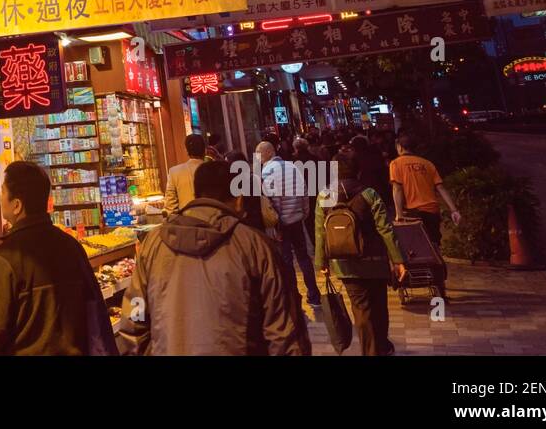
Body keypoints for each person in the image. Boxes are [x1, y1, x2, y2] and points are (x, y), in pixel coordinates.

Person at [118, 161, 311, 356]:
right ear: (238, 199)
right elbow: (283, 331)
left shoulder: (153, 245)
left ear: (195, 194)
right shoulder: (255, 246)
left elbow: (135, 314)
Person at [0, 161, 116, 355]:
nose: (0, 198)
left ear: (17, 205)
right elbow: (95, 312)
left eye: (2, 191)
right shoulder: (72, 247)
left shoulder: (4, 260)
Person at [315, 151, 407, 356]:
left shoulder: (324, 195)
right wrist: (398, 259)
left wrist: (321, 262)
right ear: (358, 170)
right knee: (379, 306)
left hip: (345, 264)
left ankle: (371, 350)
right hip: (375, 262)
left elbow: (320, 232)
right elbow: (385, 229)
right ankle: (380, 346)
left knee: (361, 310)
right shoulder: (369, 194)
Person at [256, 141, 321, 309]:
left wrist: (276, 225)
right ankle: (314, 295)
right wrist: (304, 213)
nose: (257, 157)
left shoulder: (266, 171)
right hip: (296, 220)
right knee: (304, 258)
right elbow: (304, 191)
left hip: (282, 224)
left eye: (259, 153)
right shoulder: (292, 167)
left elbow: (272, 200)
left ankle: (294, 297)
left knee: (287, 261)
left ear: (267, 153)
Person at [389, 131, 462, 248]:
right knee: (434, 245)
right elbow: (441, 188)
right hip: (432, 211)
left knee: (416, 249)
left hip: (412, 213)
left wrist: (399, 214)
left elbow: (397, 189)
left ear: (400, 147)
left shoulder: (395, 164)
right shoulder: (428, 164)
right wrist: (454, 210)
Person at [164, 133, 207, 214]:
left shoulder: (174, 172)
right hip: (212, 222)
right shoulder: (214, 170)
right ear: (205, 150)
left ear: (186, 151)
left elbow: (170, 207)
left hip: (187, 222)